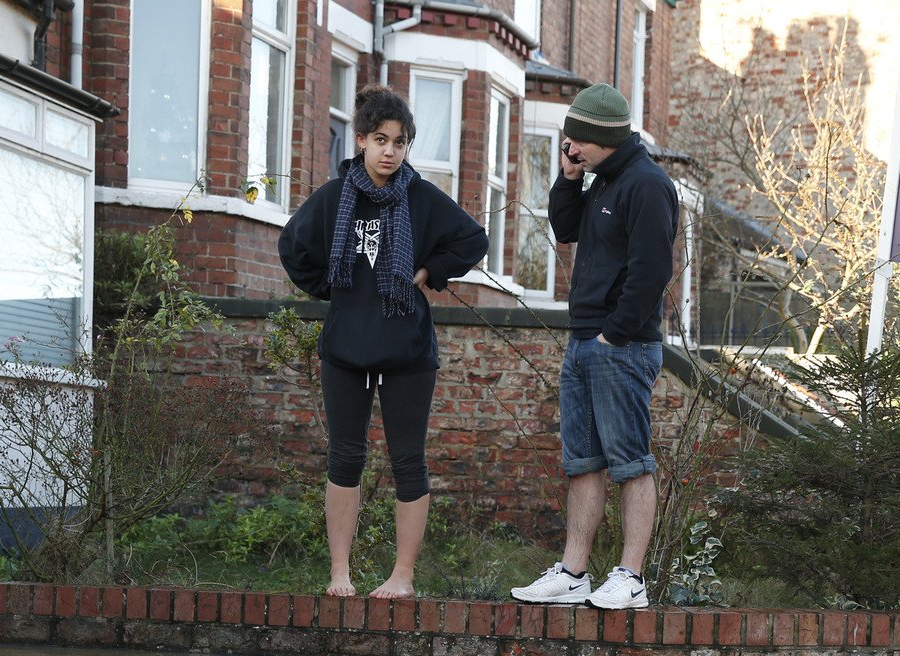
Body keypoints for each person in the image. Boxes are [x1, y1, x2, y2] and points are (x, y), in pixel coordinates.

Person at [279, 85, 488, 599]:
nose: (391, 151)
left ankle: (402, 576)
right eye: (381, 140)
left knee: (407, 460)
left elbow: (473, 240)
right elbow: (292, 246)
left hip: (408, 350)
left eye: (400, 142)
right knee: (344, 458)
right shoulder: (334, 197)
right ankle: (340, 574)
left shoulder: (421, 197)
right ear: (361, 140)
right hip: (346, 348)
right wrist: (333, 288)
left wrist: (428, 271)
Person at [510, 83, 679, 610]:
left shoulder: (647, 185)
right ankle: (574, 573)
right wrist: (568, 179)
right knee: (582, 461)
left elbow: (652, 272)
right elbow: (564, 229)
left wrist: (615, 334)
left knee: (631, 462)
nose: (570, 146)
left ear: (601, 137)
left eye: (576, 141)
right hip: (583, 341)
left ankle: (631, 578)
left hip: (621, 347)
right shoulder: (601, 182)